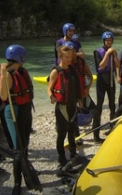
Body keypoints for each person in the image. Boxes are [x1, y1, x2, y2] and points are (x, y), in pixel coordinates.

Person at [0, 45, 34, 195]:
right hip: (14, 112)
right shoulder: (7, 74)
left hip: (26, 110)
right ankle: (17, 182)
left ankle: (26, 171)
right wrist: (2, 74)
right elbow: (4, 97)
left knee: (25, 143)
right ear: (19, 57)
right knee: (18, 149)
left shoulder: (23, 71)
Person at [48, 42, 84, 171]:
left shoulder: (72, 69)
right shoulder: (56, 71)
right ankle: (61, 158)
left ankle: (73, 154)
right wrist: (51, 97)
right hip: (61, 108)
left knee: (72, 131)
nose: (69, 60)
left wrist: (80, 100)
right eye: (66, 57)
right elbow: (49, 88)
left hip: (72, 105)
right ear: (60, 57)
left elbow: (77, 87)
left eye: (70, 57)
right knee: (61, 134)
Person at [94, 31, 120, 135]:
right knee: (99, 106)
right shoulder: (97, 51)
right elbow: (101, 66)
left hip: (110, 79)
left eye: (110, 40)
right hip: (101, 80)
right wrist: (108, 53)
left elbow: (117, 65)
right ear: (104, 41)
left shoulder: (113, 51)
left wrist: (118, 76)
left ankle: (112, 126)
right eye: (107, 40)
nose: (109, 42)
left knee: (112, 104)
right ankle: (96, 133)